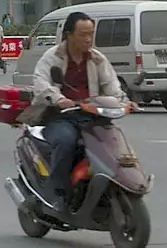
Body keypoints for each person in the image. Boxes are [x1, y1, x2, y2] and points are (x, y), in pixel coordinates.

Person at [27, 11, 126, 207]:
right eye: (83, 34)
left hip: (92, 116)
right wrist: (58, 98)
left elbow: (112, 85)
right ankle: (56, 192)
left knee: (115, 142)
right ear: (69, 34)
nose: (88, 39)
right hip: (60, 117)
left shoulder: (98, 59)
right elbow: (40, 82)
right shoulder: (52, 57)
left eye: (91, 34)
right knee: (66, 142)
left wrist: (124, 101)